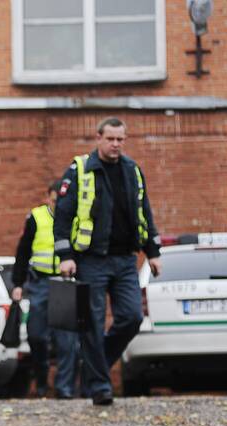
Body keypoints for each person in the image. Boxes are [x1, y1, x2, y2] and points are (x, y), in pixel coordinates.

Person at [54, 117, 163, 406]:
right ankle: (101, 386)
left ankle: (93, 369)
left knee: (132, 318)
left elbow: (145, 213)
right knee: (92, 322)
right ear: (99, 138)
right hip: (91, 260)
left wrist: (153, 251)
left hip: (126, 259)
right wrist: (65, 257)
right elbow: (63, 217)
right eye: (110, 139)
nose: (115, 144)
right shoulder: (80, 169)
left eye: (120, 139)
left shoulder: (132, 171)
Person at [10, 180, 79, 399]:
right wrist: (18, 283)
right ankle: (41, 380)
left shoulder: (74, 218)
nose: (58, 204)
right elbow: (23, 251)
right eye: (54, 200)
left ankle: (64, 387)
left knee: (66, 340)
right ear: (47, 198)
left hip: (65, 283)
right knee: (37, 335)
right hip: (40, 283)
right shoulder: (36, 217)